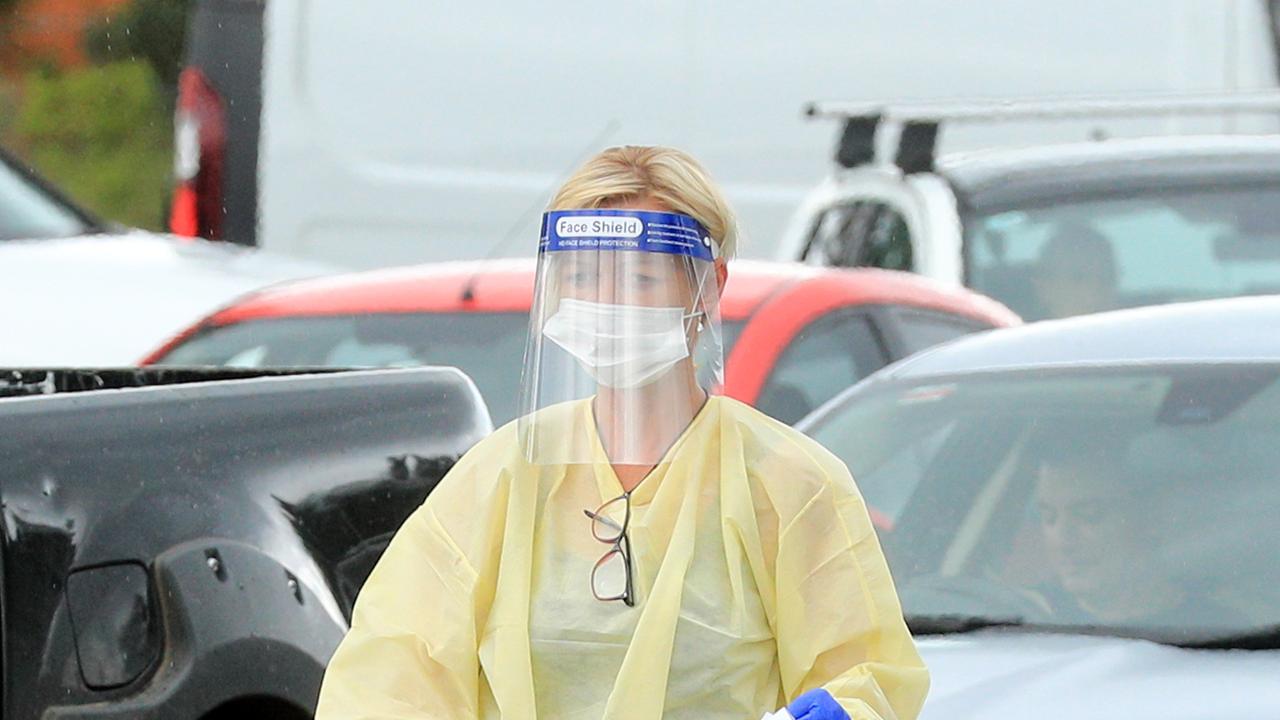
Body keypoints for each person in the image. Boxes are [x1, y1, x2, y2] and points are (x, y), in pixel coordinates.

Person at [314, 146, 929, 720]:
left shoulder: (788, 483)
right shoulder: (504, 477)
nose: (608, 306)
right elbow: (389, 675)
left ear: (708, 286)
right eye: (584, 279)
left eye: (638, 280)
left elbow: (867, 676)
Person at [1033, 446, 1238, 628]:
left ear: (1150, 520)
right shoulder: (1029, 615)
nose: (1062, 541)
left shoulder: (1221, 632)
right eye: (1049, 518)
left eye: (1089, 516)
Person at [1031, 222, 1119, 319]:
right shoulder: (1019, 333)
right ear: (1044, 288)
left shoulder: (1136, 328)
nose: (1093, 290)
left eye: (1104, 278)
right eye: (1078, 278)